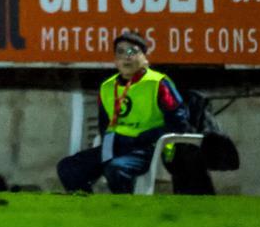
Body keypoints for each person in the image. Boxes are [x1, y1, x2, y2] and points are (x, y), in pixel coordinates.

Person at [57, 31, 189, 194]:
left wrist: (149, 137)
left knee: (116, 169)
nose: (126, 57)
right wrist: (106, 153)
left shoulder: (158, 83)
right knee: (68, 168)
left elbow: (179, 122)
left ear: (144, 57)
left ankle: (126, 206)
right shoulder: (107, 87)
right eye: (120, 52)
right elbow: (105, 127)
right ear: (115, 60)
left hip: (147, 148)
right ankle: (88, 206)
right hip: (115, 146)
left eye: (132, 51)